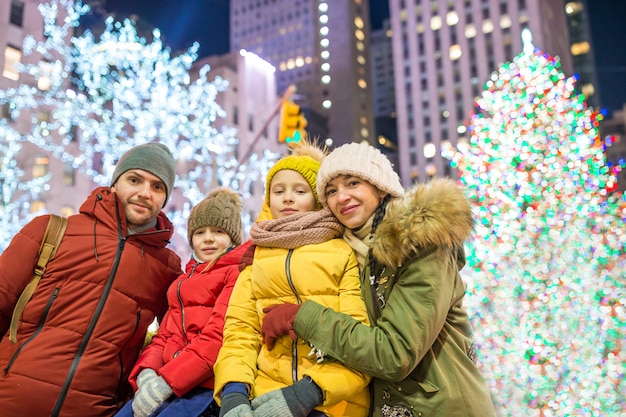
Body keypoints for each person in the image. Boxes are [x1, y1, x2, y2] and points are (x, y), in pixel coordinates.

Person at [261, 142, 497, 416]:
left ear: (380, 185)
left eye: (352, 183)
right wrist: (262, 255)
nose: (342, 197)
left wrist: (302, 317)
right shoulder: (348, 251)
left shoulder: (421, 243)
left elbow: (395, 354)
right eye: (331, 191)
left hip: (442, 407)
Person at [0, 142, 183, 417]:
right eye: (135, 180)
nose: (145, 193)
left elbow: (184, 330)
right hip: (11, 400)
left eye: (157, 187)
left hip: (94, 409)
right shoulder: (50, 231)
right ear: (114, 184)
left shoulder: (167, 268)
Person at [214, 140, 371, 417]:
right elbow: (240, 333)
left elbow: (358, 339)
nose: (288, 198)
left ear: (317, 199)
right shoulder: (257, 258)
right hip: (265, 397)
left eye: (300, 191)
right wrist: (233, 391)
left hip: (334, 403)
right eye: (279, 191)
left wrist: (308, 393)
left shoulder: (342, 251)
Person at [114, 187, 252, 417]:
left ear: (232, 237)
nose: (208, 238)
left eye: (218, 231)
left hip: (205, 385)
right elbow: (165, 335)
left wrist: (167, 382)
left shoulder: (236, 274)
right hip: (169, 378)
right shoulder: (182, 281)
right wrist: (147, 371)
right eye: (200, 232)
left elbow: (216, 338)